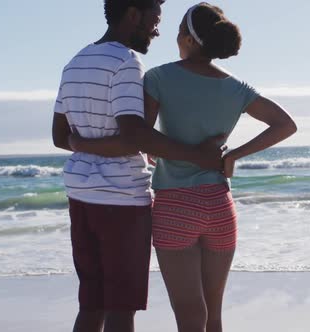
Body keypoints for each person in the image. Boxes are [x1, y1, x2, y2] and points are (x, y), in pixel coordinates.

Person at [69, 2, 297, 332]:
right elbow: (285, 124)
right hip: (220, 205)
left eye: (177, 33)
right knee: (213, 316)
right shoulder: (237, 88)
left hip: (176, 206)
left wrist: (152, 149)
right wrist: (232, 156)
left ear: (189, 39)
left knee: (190, 316)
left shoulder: (159, 76)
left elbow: (139, 135)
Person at [51, 1, 226, 332]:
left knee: (92, 304)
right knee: (121, 309)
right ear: (133, 13)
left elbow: (61, 136)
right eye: (154, 20)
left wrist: (83, 144)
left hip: (80, 196)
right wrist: (197, 156)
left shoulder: (75, 63)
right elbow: (134, 137)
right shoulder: (126, 62)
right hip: (121, 200)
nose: (157, 30)